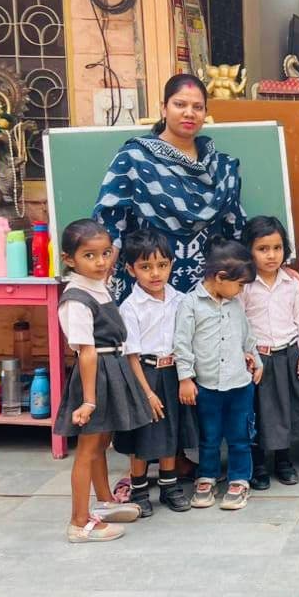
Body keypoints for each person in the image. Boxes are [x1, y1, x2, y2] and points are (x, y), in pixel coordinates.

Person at [93, 73, 245, 300]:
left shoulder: (221, 167)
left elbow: (235, 228)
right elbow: (111, 225)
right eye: (180, 104)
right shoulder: (134, 158)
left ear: (205, 112)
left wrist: (270, 270)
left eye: (198, 107)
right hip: (148, 292)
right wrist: (98, 280)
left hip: (208, 290)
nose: (189, 113)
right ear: (164, 108)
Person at [55, 220, 151, 543]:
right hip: (94, 375)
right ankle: (79, 522)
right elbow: (86, 352)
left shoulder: (98, 284)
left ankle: (105, 501)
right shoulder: (76, 298)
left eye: (106, 253)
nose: (100, 262)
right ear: (69, 259)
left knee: (100, 444)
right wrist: (89, 400)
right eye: (89, 256)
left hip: (112, 369)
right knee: (88, 448)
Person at [174, 239, 262, 512]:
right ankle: (207, 476)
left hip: (240, 384)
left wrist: (256, 360)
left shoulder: (235, 304)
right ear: (220, 277)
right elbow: (182, 343)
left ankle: (239, 479)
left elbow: (247, 336)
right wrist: (185, 378)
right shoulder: (190, 304)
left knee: (240, 436)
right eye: (239, 284)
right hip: (207, 386)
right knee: (209, 437)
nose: (241, 290)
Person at [119, 227, 194, 516]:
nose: (155, 273)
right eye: (145, 267)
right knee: (143, 435)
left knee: (169, 431)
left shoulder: (180, 299)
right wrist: (147, 393)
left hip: (173, 372)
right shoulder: (131, 307)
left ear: (171, 264)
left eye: (162, 265)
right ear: (131, 269)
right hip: (144, 374)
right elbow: (131, 356)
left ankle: (169, 487)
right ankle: (139, 490)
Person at [241, 216, 299, 490]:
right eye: (263, 249)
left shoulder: (292, 283)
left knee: (285, 410)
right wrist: (247, 355)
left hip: (287, 355)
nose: (271, 255)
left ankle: (283, 460)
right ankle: (258, 463)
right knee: (258, 412)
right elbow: (239, 324)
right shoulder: (244, 286)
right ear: (249, 250)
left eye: (277, 248)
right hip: (258, 359)